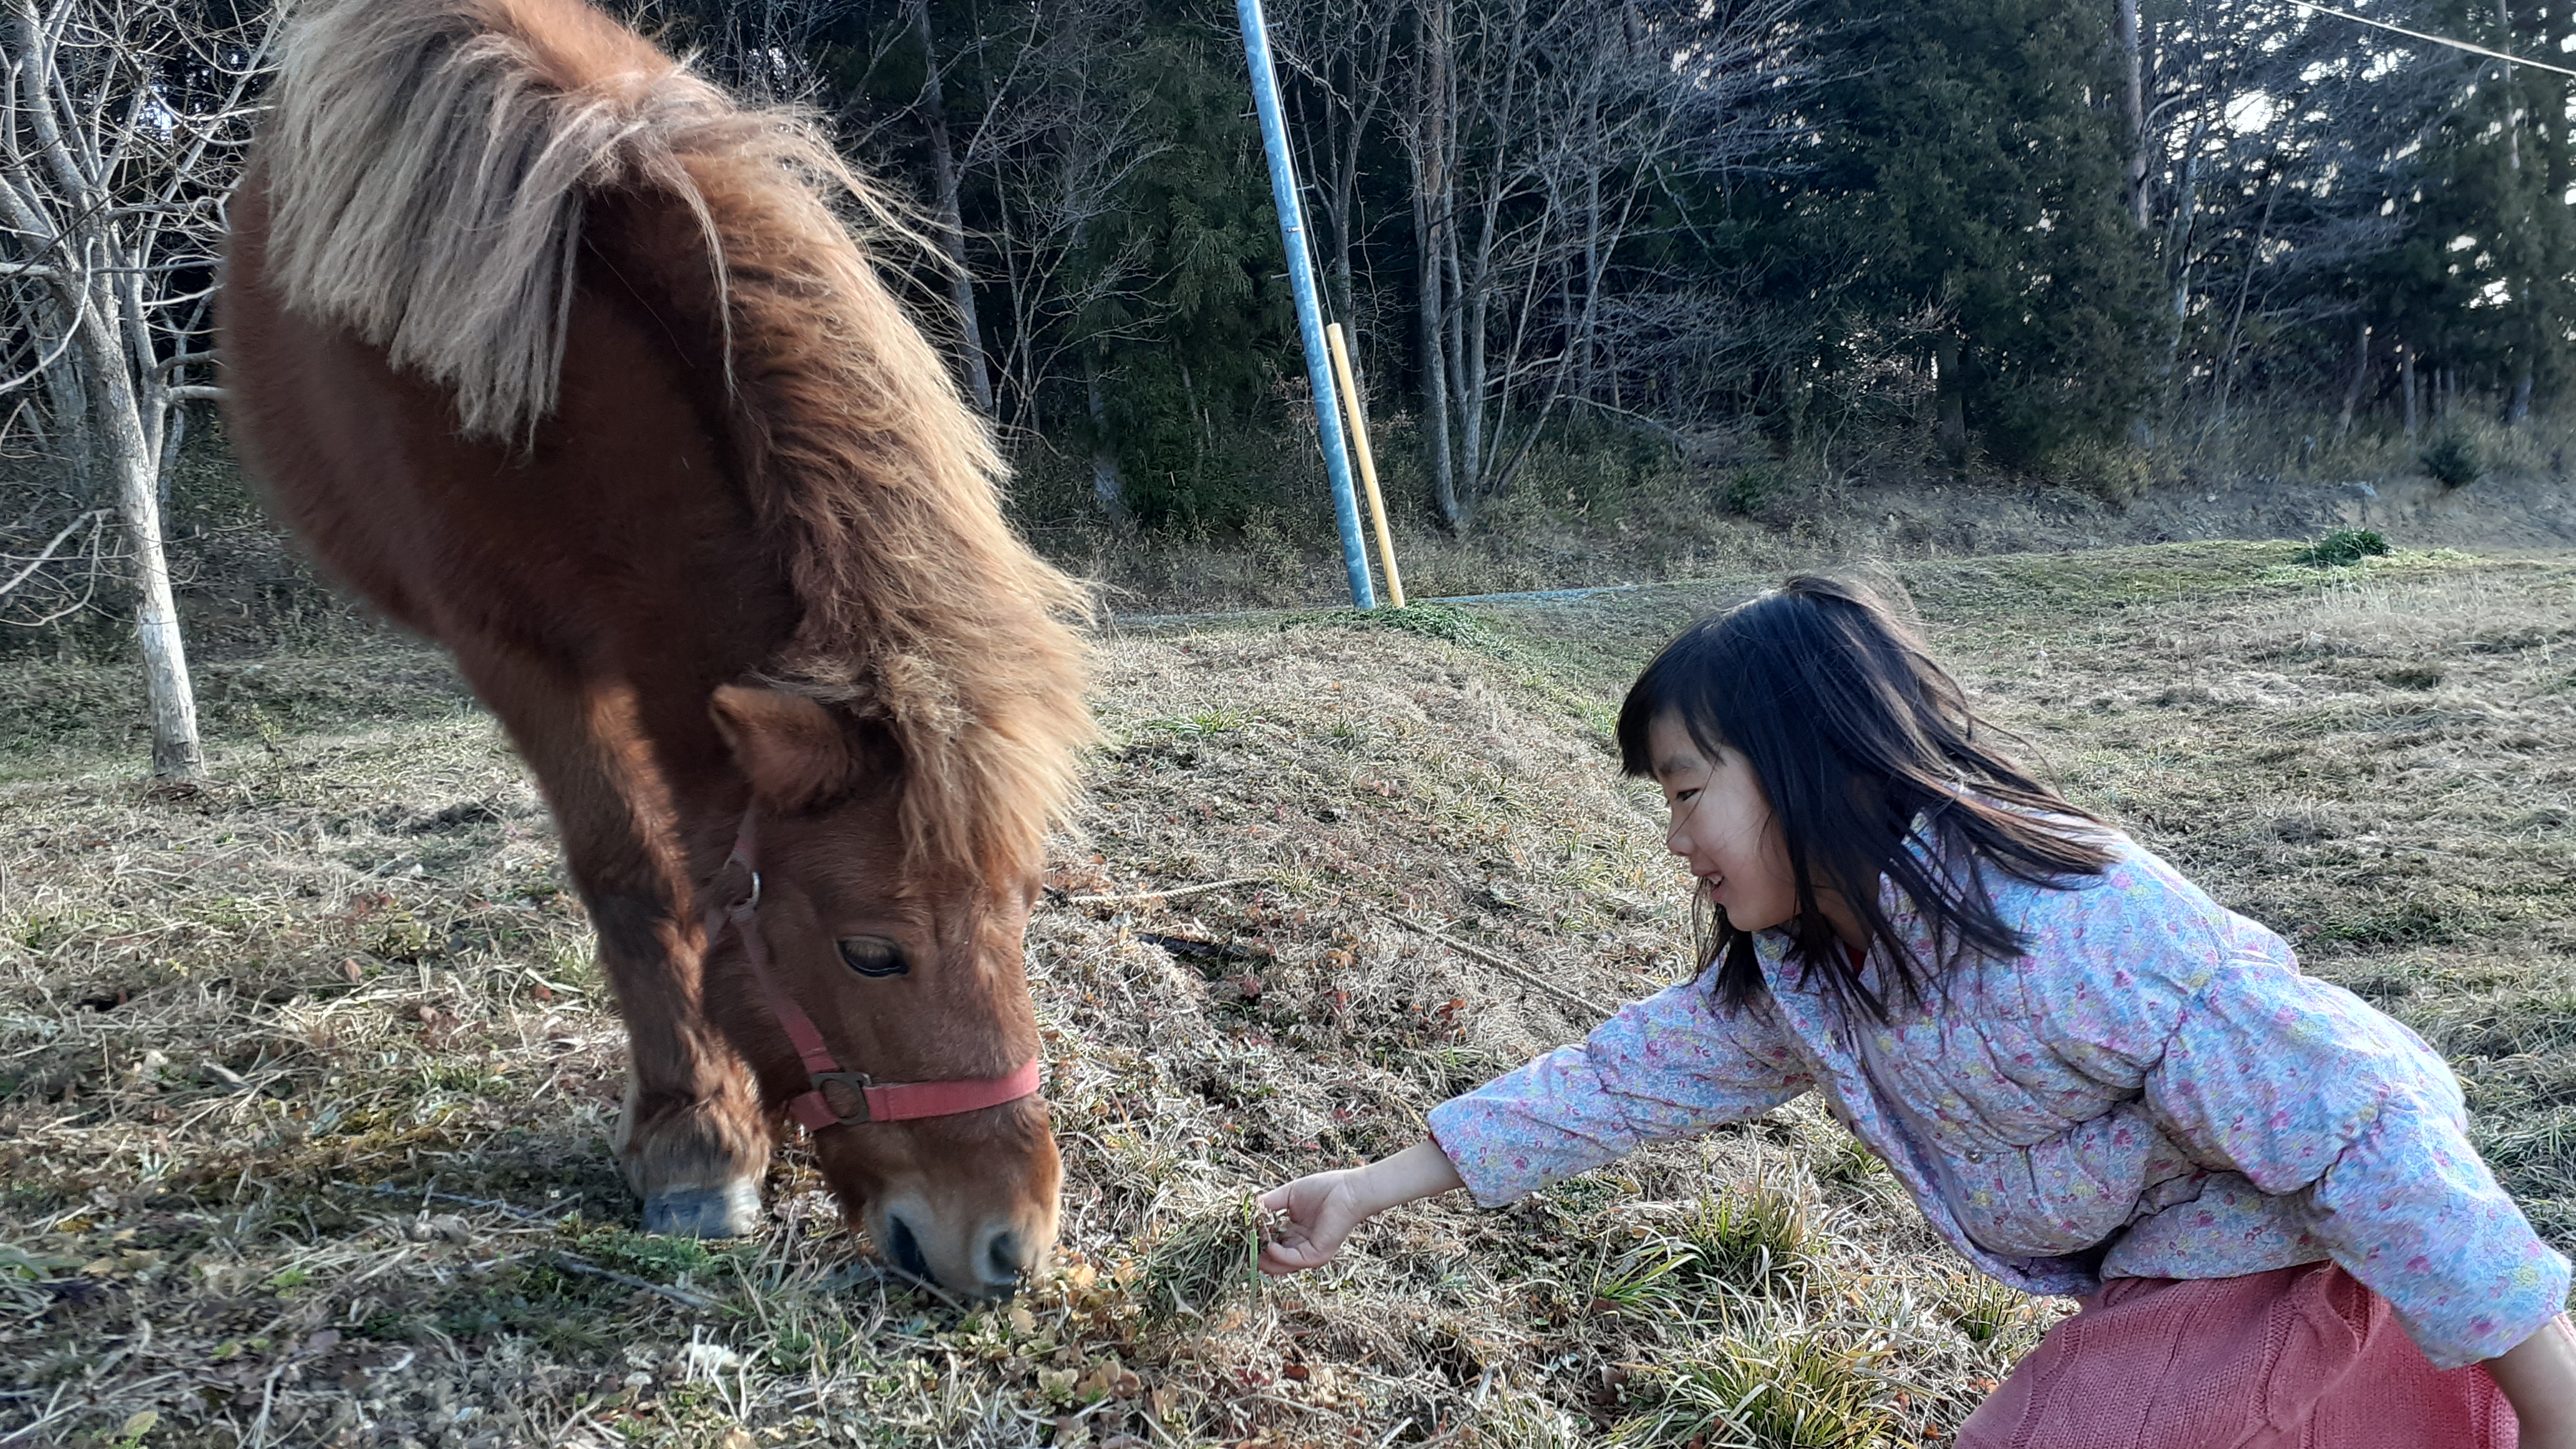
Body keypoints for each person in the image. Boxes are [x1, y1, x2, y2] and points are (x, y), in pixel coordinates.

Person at [1256, 573, 2576, 1448]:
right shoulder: (1820, 968)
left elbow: (2376, 1139)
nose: (1676, 842)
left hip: (2290, 1262)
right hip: (2181, 1278)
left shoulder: (2081, 932)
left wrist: (2549, 1393)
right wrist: (1376, 1186)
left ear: (1804, 765)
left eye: (1682, 789)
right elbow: (1623, 1077)